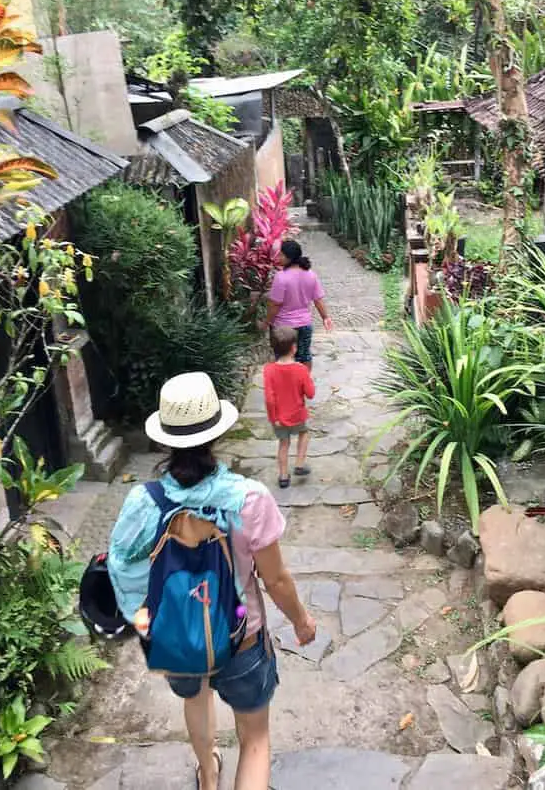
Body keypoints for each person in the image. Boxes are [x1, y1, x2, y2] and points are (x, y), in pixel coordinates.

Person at [107, 372, 316, 790]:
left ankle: (207, 772)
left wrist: (144, 621)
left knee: (194, 697)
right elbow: (274, 580)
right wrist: (301, 622)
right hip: (242, 635)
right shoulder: (249, 498)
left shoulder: (142, 503)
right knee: (255, 738)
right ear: (218, 432)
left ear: (166, 438)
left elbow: (123, 567)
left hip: (178, 636)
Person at [259, 239, 332, 368]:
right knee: (305, 356)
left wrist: (267, 322)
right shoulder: (311, 275)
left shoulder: (281, 277)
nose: (278, 257)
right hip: (305, 324)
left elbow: (275, 305)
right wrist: (325, 317)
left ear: (289, 258)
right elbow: (318, 300)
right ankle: (304, 384)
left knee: (283, 358)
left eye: (281, 254)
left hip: (283, 328)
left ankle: (286, 385)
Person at [263, 326, 315, 489]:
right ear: (294, 348)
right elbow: (310, 393)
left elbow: (270, 398)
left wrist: (274, 418)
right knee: (304, 434)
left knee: (283, 444)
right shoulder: (301, 369)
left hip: (278, 417)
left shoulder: (269, 370)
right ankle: (299, 464)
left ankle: (283, 477)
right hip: (297, 414)